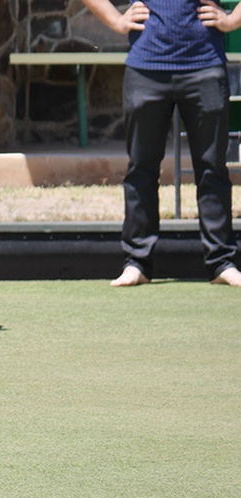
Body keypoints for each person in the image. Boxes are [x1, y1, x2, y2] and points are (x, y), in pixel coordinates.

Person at [83, 0, 241, 287]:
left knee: (212, 169)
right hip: (145, 68)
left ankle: (222, 263)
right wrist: (116, 21)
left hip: (205, 65)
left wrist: (232, 20)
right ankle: (137, 263)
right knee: (141, 169)